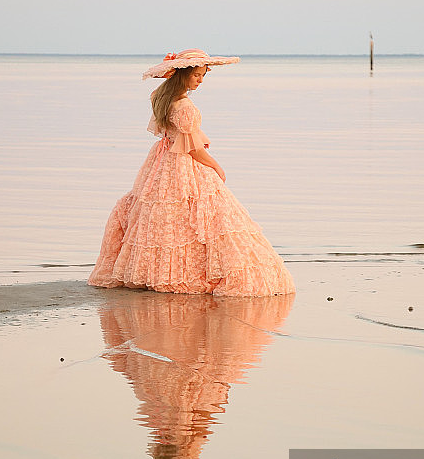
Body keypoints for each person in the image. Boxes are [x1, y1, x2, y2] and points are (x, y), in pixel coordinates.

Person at [87, 49, 296, 297]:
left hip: (161, 162)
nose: (200, 80)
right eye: (197, 75)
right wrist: (215, 165)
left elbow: (172, 137)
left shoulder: (160, 97)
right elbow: (193, 149)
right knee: (201, 217)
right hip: (182, 164)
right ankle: (187, 274)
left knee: (166, 216)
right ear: (182, 75)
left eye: (203, 75)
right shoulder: (185, 106)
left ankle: (154, 272)